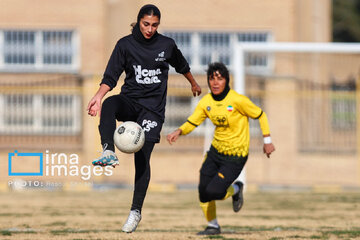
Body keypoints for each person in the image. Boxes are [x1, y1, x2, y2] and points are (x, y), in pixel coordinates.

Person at [86, 4, 201, 233]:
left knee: (142, 157)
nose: (150, 29)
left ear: (159, 24)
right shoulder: (125, 45)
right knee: (109, 104)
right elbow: (111, 75)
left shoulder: (166, 45)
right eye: (146, 24)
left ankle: (135, 211)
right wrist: (98, 96)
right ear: (139, 21)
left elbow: (182, 65)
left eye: (154, 25)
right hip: (130, 102)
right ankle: (108, 151)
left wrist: (193, 82)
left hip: (152, 111)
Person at [167, 62, 275, 235]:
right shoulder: (207, 102)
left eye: (220, 78)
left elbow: (261, 115)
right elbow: (193, 121)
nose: (215, 83)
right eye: (212, 78)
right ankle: (213, 226)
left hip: (235, 156)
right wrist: (179, 131)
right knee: (203, 190)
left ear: (227, 81)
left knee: (214, 191)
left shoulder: (238, 100)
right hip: (215, 152)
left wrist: (267, 141)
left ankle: (237, 189)